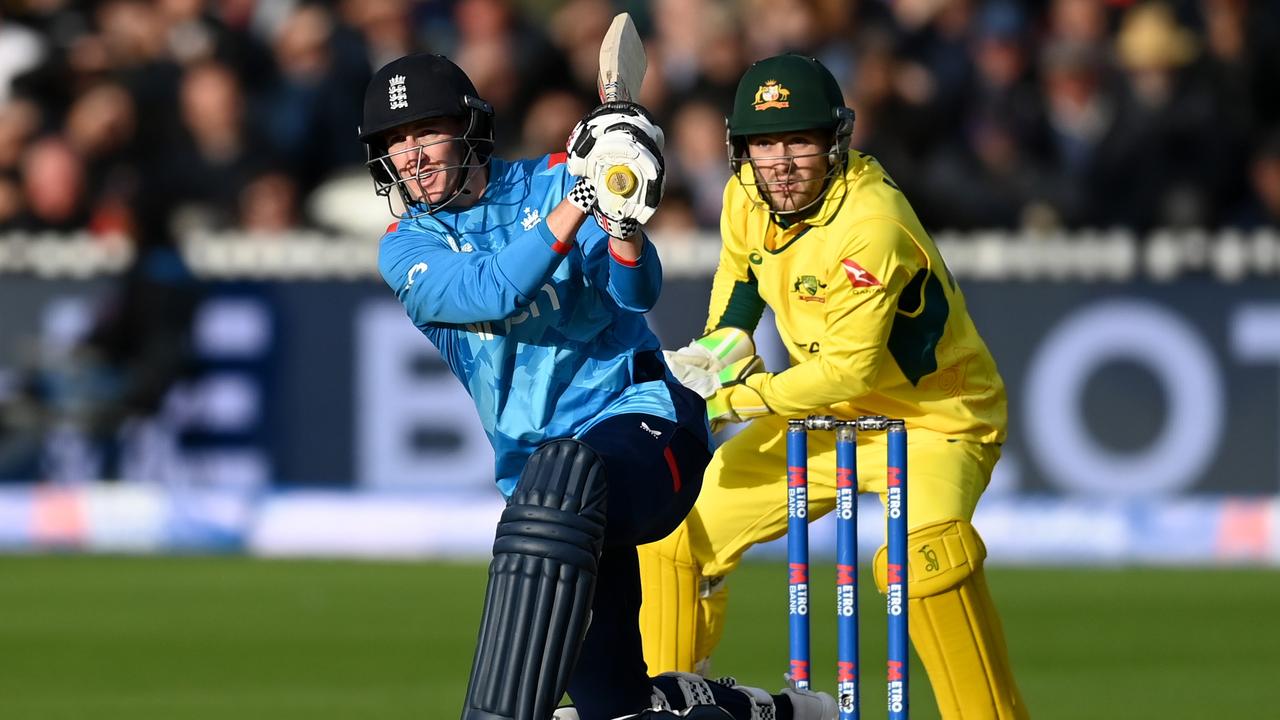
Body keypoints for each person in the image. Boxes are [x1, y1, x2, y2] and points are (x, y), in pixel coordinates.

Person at [359, 53, 837, 720]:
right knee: (614, 708)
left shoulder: (552, 181)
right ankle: (769, 712)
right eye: (394, 142)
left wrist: (624, 224)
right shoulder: (405, 249)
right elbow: (490, 290)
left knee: (562, 477)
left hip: (644, 427)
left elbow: (636, 292)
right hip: (550, 503)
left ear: (469, 127)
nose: (409, 154)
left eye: (425, 132)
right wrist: (584, 198)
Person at [638, 54, 1030, 720]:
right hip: (824, 416)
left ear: (834, 142)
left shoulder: (870, 225)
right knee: (674, 527)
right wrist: (702, 367)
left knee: (925, 565)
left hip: (936, 418)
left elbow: (850, 370)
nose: (781, 161)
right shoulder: (744, 197)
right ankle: (658, 704)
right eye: (765, 143)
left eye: (800, 140)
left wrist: (733, 400)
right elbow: (736, 311)